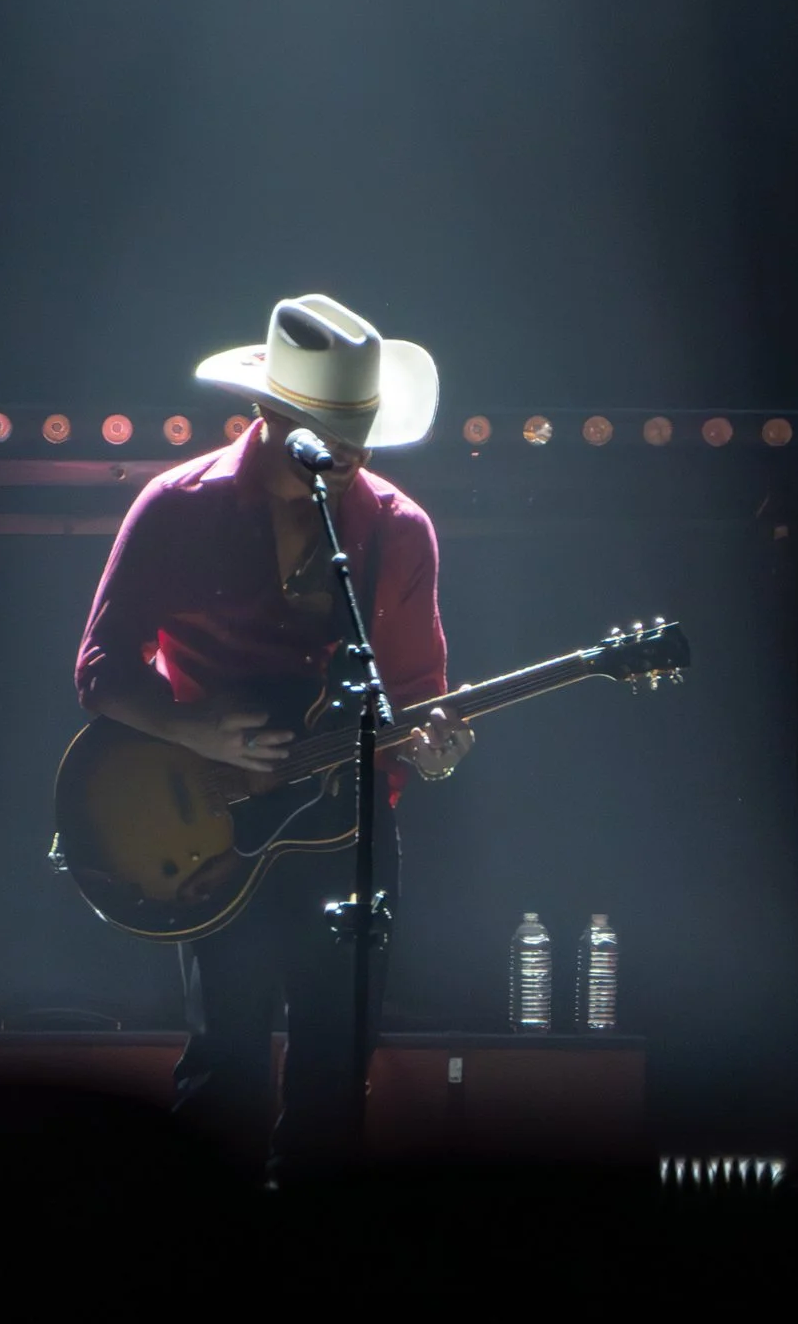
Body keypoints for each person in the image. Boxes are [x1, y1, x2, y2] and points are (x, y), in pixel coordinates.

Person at [74, 293, 475, 1186]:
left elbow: (416, 695)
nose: (352, 457)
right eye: (330, 436)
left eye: (361, 434)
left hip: (349, 831)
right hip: (217, 829)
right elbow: (100, 669)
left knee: (335, 1076)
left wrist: (434, 742)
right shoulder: (178, 507)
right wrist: (190, 726)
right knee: (227, 1065)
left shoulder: (397, 529)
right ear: (269, 413)